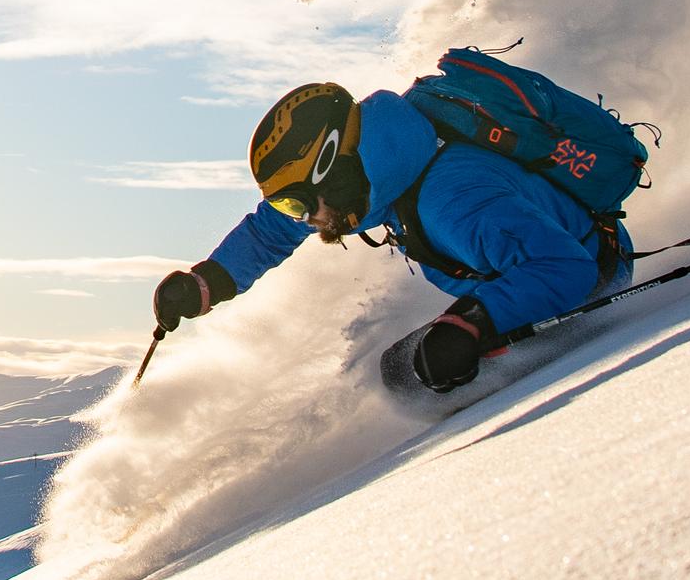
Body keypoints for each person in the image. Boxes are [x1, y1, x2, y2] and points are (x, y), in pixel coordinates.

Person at [151, 78, 630, 392]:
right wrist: (207, 282)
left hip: (586, 285)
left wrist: (474, 323)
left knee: (406, 377)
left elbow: (564, 266)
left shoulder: (453, 203)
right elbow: (270, 231)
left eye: (297, 203)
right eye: (285, 204)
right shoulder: (387, 165)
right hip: (528, 273)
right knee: (403, 371)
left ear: (332, 173)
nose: (299, 218)